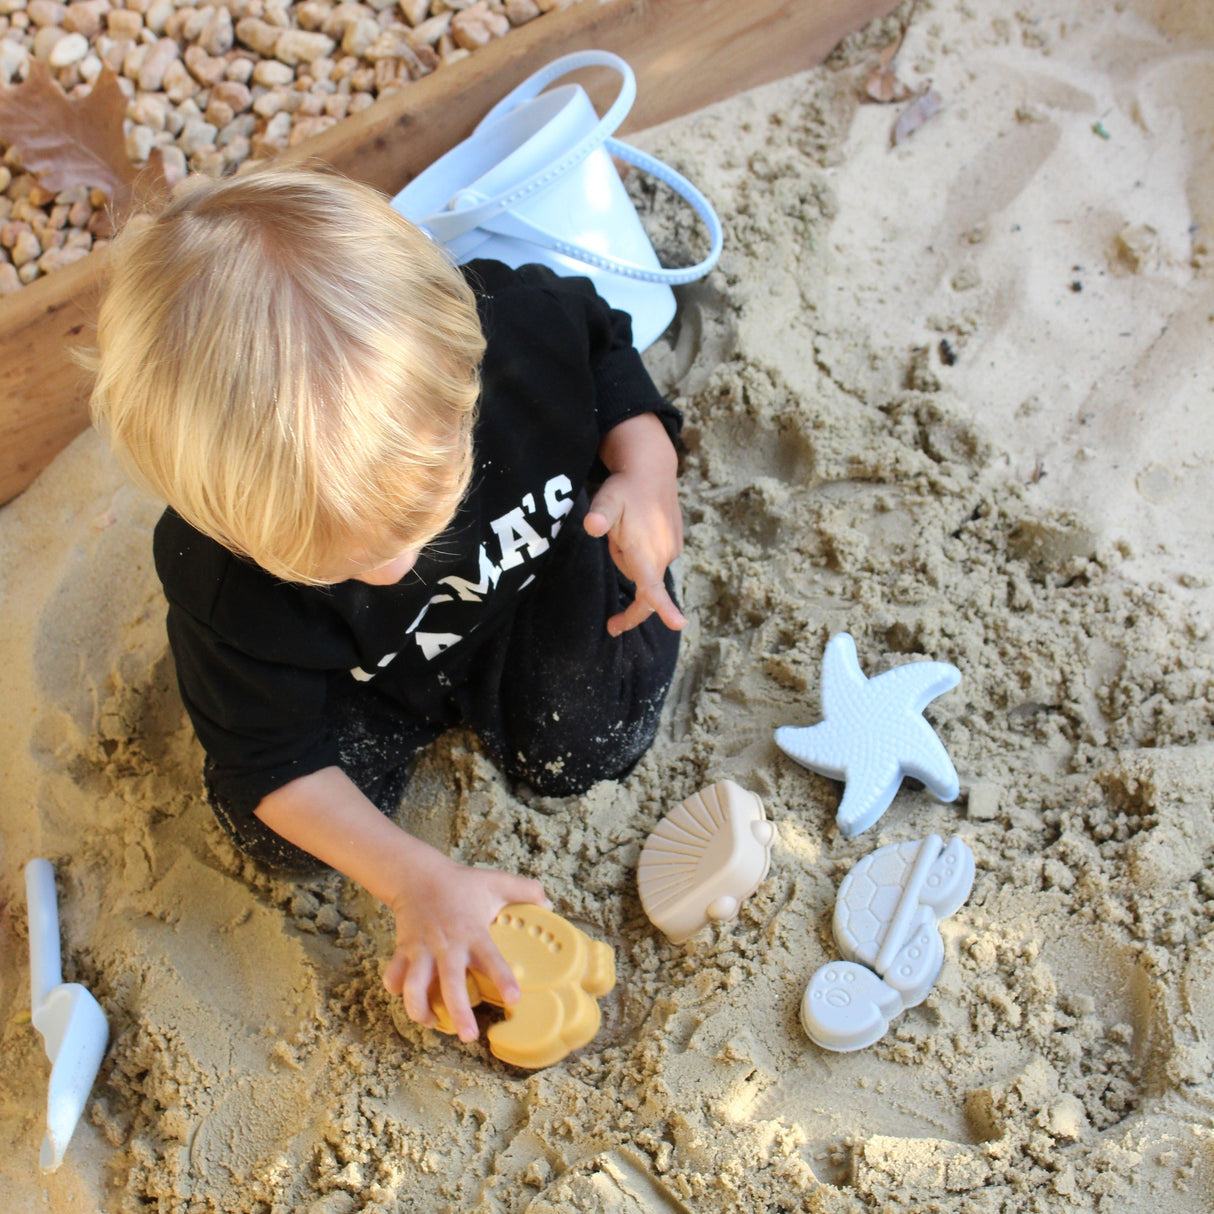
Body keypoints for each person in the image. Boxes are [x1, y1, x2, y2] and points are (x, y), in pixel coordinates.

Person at [88, 165, 686, 1045]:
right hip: (370, 676)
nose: (395, 562)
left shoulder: (520, 333)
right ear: (224, 524)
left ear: (463, 369)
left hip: (529, 577)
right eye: (341, 556)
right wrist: (412, 876)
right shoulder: (222, 580)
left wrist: (648, 474)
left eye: (422, 506)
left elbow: (607, 349)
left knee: (587, 744)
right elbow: (269, 756)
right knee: (281, 840)